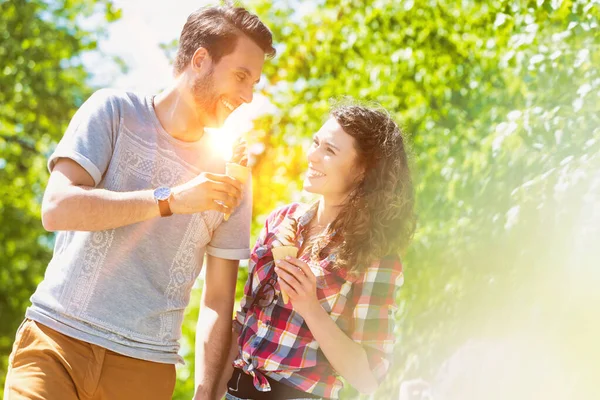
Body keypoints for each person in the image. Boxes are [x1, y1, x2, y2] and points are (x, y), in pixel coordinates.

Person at [3, 5, 275, 400]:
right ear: (200, 60)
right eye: (241, 77)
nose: (248, 96)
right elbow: (57, 207)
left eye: (254, 83)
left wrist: (205, 392)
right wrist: (169, 200)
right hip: (56, 341)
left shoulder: (233, 175)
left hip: (145, 369)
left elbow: (218, 301)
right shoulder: (114, 112)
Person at [225, 104, 415, 399]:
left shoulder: (377, 256)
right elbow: (244, 321)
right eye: (315, 142)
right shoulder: (280, 220)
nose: (312, 155)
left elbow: (368, 378)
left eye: (330, 150)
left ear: (364, 171)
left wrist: (310, 308)